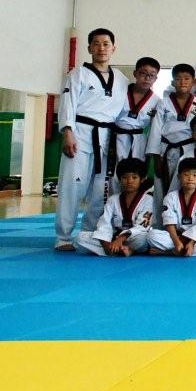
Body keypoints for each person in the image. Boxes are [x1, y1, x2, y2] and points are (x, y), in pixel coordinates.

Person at [55, 28, 131, 250]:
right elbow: (67, 104)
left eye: (106, 44)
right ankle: (63, 237)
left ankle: (90, 233)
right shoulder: (78, 74)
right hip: (80, 133)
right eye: (96, 43)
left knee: (102, 190)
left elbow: (125, 113)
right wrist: (67, 132)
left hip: (108, 138)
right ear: (89, 48)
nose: (101, 48)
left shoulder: (122, 79)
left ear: (113, 48)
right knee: (72, 187)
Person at [73, 158, 153, 256]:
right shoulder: (113, 200)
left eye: (134, 177)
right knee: (80, 238)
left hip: (133, 237)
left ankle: (124, 249)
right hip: (114, 238)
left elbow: (142, 227)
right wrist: (107, 245)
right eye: (125, 177)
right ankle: (119, 250)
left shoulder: (148, 200)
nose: (129, 181)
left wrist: (121, 238)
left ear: (142, 179)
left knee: (143, 238)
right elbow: (104, 223)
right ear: (119, 179)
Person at [147, 64, 196, 197]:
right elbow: (156, 130)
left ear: (194, 82)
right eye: (178, 79)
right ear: (173, 82)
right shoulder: (163, 103)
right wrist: (156, 157)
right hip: (166, 149)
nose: (182, 82)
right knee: (163, 186)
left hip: (189, 149)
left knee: (186, 185)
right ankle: (163, 211)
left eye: (187, 78)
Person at [147, 157, 196, 257]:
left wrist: (191, 243)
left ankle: (169, 252)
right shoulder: (170, 197)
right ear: (179, 177)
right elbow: (169, 223)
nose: (190, 178)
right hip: (175, 237)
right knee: (152, 235)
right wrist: (177, 242)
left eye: (195, 175)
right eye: (186, 174)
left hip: (195, 239)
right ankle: (182, 250)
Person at [112, 57, 160, 165]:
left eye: (151, 75)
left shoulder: (157, 101)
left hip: (139, 140)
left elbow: (155, 127)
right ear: (135, 73)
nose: (147, 78)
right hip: (116, 136)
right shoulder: (120, 92)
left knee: (136, 170)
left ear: (156, 78)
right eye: (143, 73)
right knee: (113, 170)